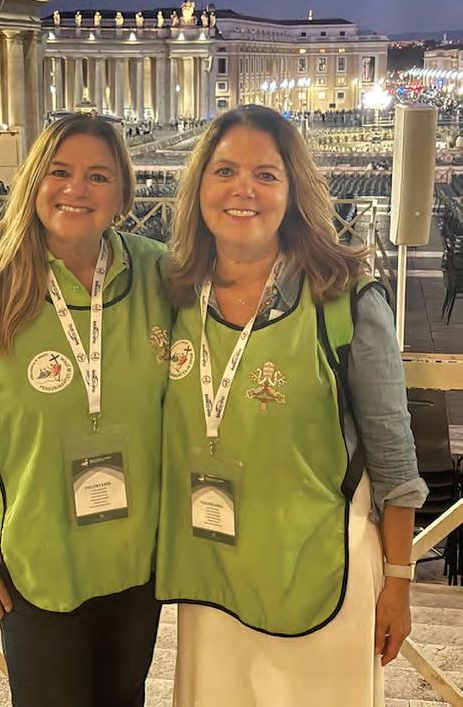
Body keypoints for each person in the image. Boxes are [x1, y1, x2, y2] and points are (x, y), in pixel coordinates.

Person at [0, 114, 173, 707]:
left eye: (99, 176)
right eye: (59, 172)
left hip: (137, 557)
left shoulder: (159, 273)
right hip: (32, 559)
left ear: (123, 192)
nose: (77, 189)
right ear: (33, 182)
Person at [155, 105, 428, 707]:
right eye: (225, 170)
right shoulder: (174, 295)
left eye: (266, 174)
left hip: (322, 569)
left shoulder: (348, 298)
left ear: (294, 190)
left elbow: (393, 458)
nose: (243, 189)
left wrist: (399, 583)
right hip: (214, 569)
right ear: (199, 186)